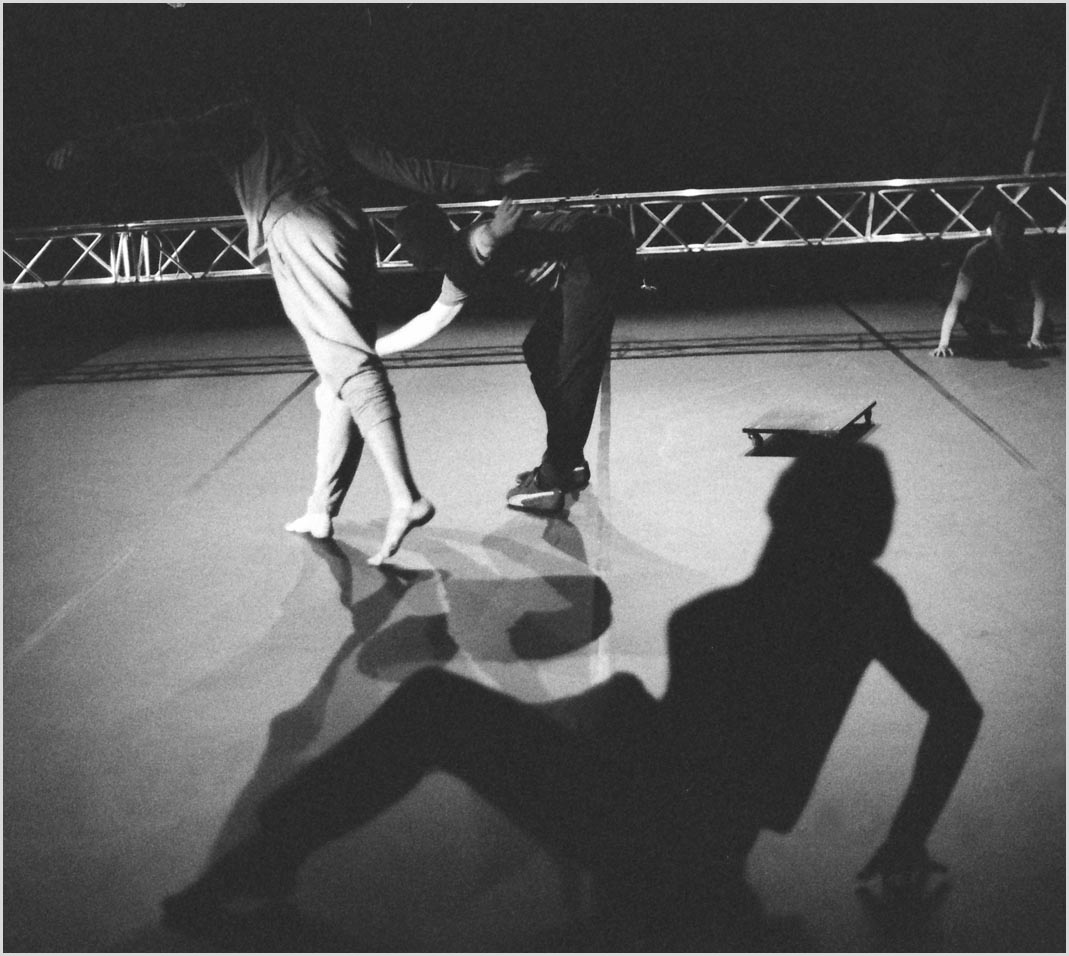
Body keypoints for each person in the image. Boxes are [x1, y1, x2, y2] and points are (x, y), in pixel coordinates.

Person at [161, 443, 983, 947]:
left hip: (651, 845)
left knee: (433, 708)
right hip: (707, 850)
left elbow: (691, 766)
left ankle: (267, 857)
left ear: (784, 510)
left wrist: (617, 724)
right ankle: (269, 857)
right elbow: (952, 710)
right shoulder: (863, 602)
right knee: (571, 704)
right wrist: (906, 835)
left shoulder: (724, 622)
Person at [46, 95, 540, 563]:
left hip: (300, 227)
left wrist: (91, 146)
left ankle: (405, 496)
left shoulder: (243, 115)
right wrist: (489, 177)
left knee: (351, 369)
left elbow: (166, 135)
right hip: (350, 229)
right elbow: (399, 165)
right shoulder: (317, 115)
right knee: (339, 381)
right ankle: (322, 508)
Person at [375, 195, 636, 514]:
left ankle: (552, 478)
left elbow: (484, 238)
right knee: (540, 350)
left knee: (573, 368)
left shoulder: (468, 246)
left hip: (599, 247)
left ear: (427, 240)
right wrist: (370, 351)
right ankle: (569, 461)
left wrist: (497, 230)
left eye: (407, 244)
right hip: (587, 252)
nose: (405, 254)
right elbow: (433, 320)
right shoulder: (459, 265)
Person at [931, 207, 1050, 357]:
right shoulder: (978, 253)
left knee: (1045, 329)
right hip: (978, 299)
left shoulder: (1029, 253)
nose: (1004, 234)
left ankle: (1004, 321)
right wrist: (944, 342)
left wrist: (1035, 336)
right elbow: (957, 301)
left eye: (1009, 229)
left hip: (1005, 300)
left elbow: (1040, 297)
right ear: (992, 230)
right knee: (979, 332)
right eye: (999, 228)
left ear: (1020, 231)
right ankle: (978, 323)